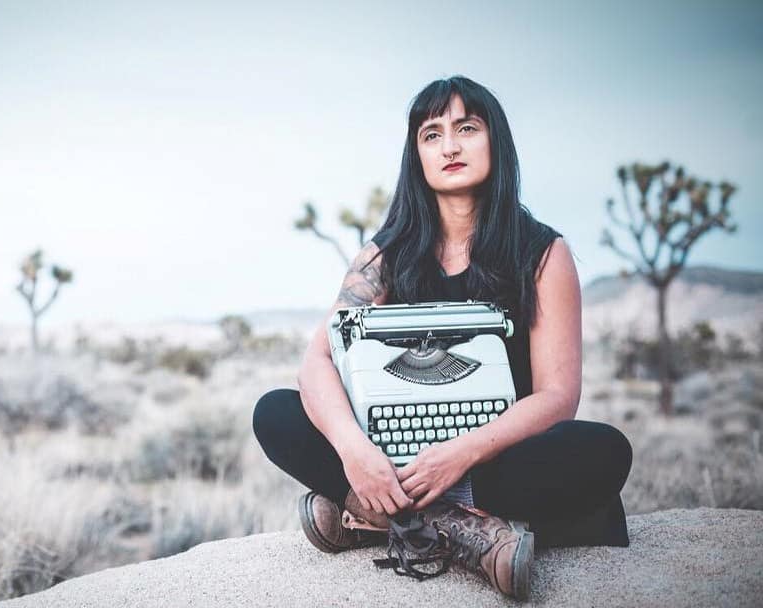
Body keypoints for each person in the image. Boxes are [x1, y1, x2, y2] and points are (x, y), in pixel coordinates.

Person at [251, 75, 633, 600]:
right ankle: (462, 530)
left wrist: (458, 455)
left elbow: (557, 396)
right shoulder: (384, 256)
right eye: (431, 134)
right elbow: (317, 361)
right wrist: (355, 451)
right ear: (417, 156)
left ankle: (374, 519)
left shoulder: (543, 254)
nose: (449, 146)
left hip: (495, 457)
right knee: (275, 412)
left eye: (467, 128)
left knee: (605, 450)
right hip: (392, 453)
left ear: (495, 140)